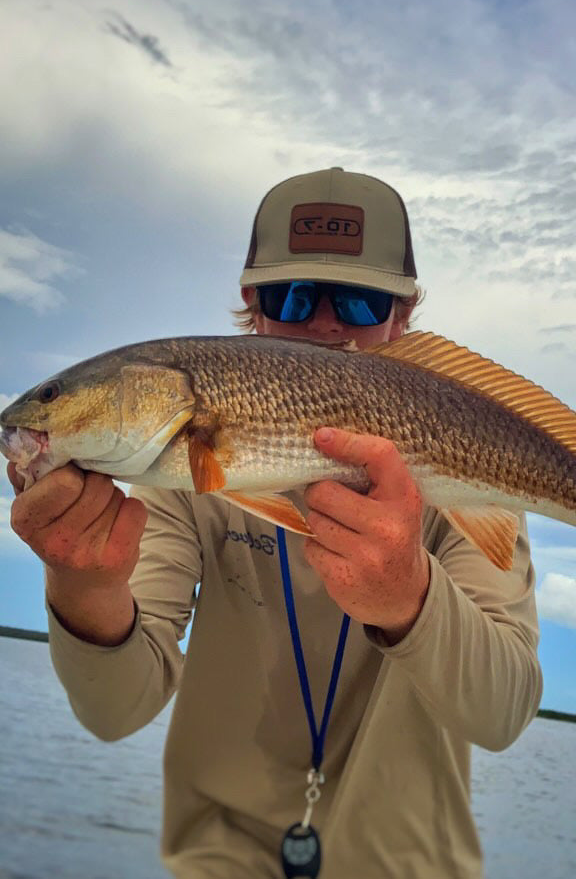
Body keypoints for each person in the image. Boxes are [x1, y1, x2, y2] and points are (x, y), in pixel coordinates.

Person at [8, 167, 543, 879]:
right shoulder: (173, 481)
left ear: (402, 318)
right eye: (293, 295)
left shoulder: (469, 476)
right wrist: (84, 584)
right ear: (252, 305)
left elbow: (502, 713)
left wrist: (410, 598)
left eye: (360, 302)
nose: (324, 323)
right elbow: (116, 710)